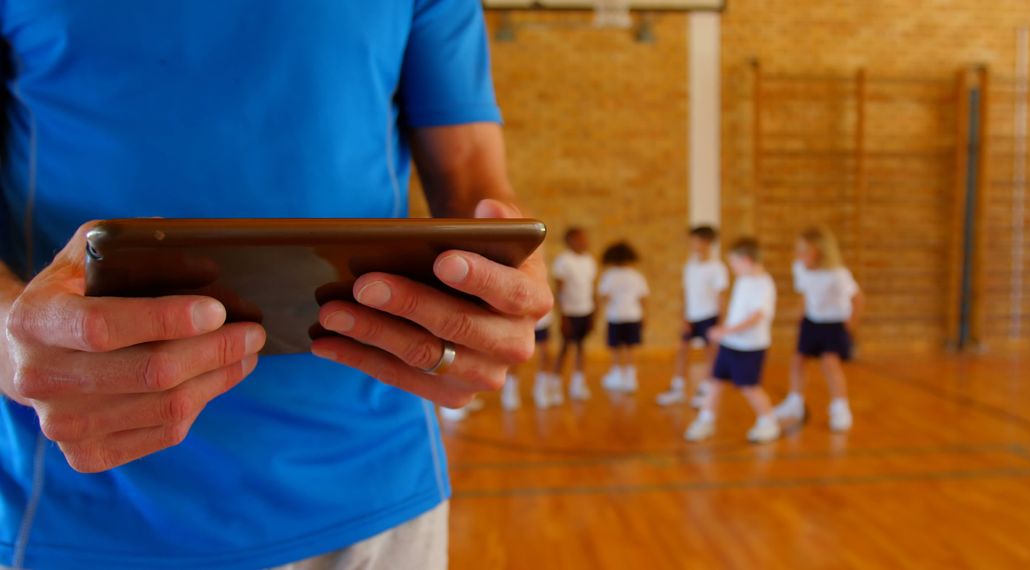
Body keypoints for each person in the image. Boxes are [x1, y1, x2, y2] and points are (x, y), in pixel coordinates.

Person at [0, 2, 552, 569]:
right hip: (76, 497)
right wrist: (8, 338)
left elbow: (473, 183)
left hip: (372, 489)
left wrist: (496, 292)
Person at [684, 237, 781, 444]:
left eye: (734, 263)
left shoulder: (763, 284)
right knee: (715, 381)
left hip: (750, 347)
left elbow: (756, 316)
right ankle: (706, 420)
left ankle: (768, 421)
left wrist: (727, 330)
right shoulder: (744, 280)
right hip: (731, 344)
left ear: (746, 260)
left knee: (749, 387)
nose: (733, 267)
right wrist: (726, 332)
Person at [773, 227, 865, 432]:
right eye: (798, 250)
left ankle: (840, 408)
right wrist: (800, 318)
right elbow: (805, 295)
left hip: (834, 324)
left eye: (805, 251)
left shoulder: (838, 274)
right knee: (797, 361)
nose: (799, 255)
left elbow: (857, 299)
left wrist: (849, 326)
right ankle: (794, 402)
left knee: (830, 364)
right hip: (811, 322)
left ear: (820, 252)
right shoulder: (799, 268)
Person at [656, 226, 729, 407]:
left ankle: (706, 389)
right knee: (682, 349)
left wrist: (721, 323)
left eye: (696, 241)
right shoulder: (690, 266)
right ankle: (678, 388)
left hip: (709, 316)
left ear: (706, 243)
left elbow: (722, 297)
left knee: (709, 353)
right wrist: (683, 317)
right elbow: (685, 293)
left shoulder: (717, 268)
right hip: (691, 316)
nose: (692, 245)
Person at [550, 227, 598, 402]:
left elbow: (592, 288)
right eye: (581, 238)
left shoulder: (590, 261)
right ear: (570, 241)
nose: (585, 242)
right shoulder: (563, 261)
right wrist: (562, 315)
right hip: (569, 312)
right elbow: (559, 290)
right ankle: (555, 385)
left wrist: (594, 312)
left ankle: (578, 384)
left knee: (581, 347)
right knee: (564, 348)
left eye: (586, 238)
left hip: (585, 310)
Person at [597, 242, 649, 393]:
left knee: (616, 347)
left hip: (615, 316)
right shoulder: (636, 275)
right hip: (633, 315)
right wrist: (645, 316)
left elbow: (604, 297)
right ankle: (631, 377)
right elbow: (643, 298)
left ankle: (617, 374)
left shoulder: (609, 275)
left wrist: (598, 312)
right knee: (630, 347)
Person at [501, 309, 554, 410]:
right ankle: (510, 391)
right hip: (520, 319)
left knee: (545, 355)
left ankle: (541, 390)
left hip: (543, 321)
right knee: (515, 356)